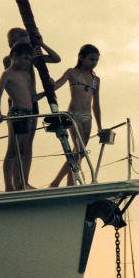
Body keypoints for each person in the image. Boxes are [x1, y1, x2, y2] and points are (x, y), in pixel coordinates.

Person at [1, 28, 60, 190]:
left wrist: (41, 44)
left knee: (28, 144)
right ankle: (13, 184)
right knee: (15, 146)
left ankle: (23, 181)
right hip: (18, 105)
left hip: (32, 103)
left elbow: (56, 59)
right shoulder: (11, 60)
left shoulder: (31, 58)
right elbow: (15, 68)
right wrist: (33, 57)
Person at [48, 44, 103, 187]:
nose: (94, 63)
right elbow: (58, 84)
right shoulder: (72, 72)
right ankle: (55, 182)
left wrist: (100, 127)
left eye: (96, 60)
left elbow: (96, 104)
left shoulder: (96, 80)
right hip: (73, 115)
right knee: (78, 150)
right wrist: (51, 83)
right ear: (81, 58)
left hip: (87, 117)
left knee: (81, 152)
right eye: (91, 59)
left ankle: (70, 183)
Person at [0, 42, 42, 190]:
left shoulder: (26, 74)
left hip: (28, 114)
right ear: (14, 56)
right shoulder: (7, 74)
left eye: (29, 59)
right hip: (16, 113)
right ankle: (9, 185)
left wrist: (49, 90)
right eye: (25, 59)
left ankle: (20, 182)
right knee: (12, 150)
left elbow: (32, 97)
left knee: (23, 148)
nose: (27, 62)